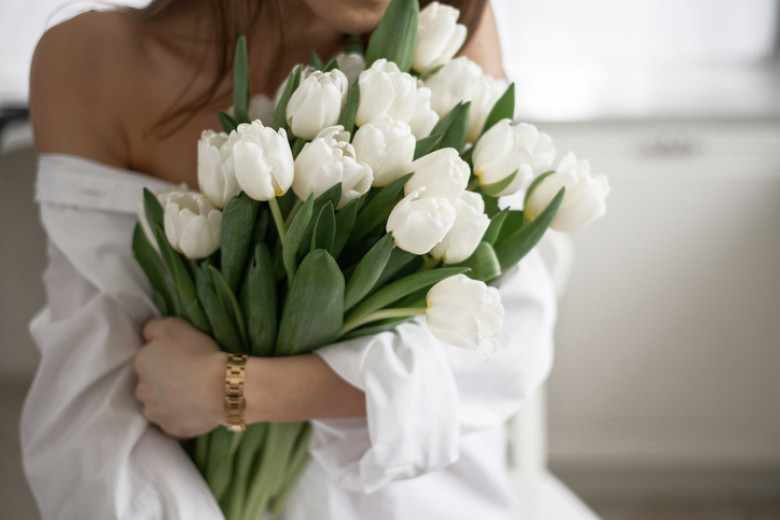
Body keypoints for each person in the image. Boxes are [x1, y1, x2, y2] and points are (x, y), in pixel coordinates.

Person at [22, 0, 556, 518]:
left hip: (406, 490)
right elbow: (96, 405)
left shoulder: (446, 22)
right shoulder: (97, 58)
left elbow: (504, 340)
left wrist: (235, 391)